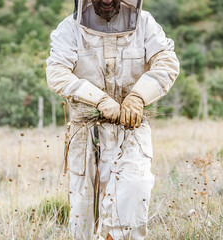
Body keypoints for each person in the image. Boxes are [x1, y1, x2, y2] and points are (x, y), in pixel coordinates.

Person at [46, 0, 180, 239]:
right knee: (84, 214)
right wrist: (98, 99)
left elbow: (166, 61)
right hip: (85, 132)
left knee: (134, 188)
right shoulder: (69, 29)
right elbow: (57, 73)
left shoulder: (145, 23)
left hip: (131, 127)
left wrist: (138, 97)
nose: (107, 0)